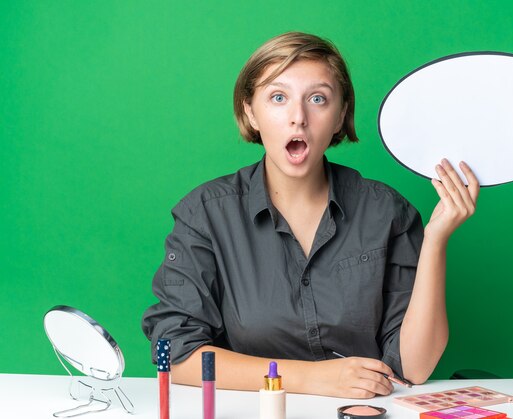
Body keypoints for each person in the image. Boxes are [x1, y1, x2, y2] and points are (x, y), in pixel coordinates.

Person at [142, 31, 479, 399]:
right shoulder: (205, 214)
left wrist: (436, 240)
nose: (298, 118)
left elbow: (414, 366)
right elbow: (176, 355)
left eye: (318, 99)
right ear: (250, 111)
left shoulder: (387, 212)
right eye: (278, 97)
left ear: (340, 116)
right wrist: (309, 378)